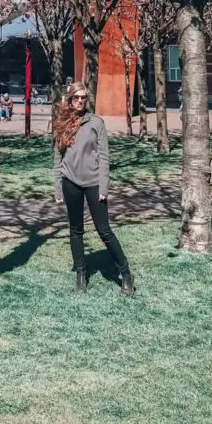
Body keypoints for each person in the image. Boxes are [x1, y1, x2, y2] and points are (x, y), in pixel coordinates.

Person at [54, 82, 134, 296]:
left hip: (93, 183)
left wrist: (103, 186)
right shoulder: (62, 123)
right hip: (70, 181)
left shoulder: (96, 122)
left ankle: (125, 273)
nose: (80, 101)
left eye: (83, 98)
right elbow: (57, 157)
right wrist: (58, 188)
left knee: (103, 230)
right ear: (70, 100)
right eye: (76, 98)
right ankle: (81, 274)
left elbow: (105, 156)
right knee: (75, 230)